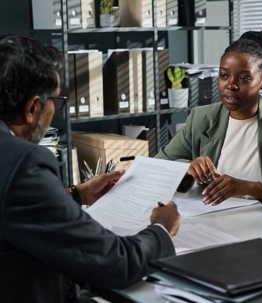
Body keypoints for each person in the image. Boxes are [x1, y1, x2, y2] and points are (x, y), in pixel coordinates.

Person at [0, 35, 180, 303]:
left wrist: (76, 194)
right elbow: (116, 263)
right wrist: (161, 229)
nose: (55, 111)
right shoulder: (23, 162)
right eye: (56, 102)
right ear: (32, 108)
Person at [155, 31, 262, 212]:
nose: (230, 85)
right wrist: (186, 167)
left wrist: (249, 188)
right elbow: (156, 166)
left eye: (244, 78)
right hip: (211, 217)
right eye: (224, 75)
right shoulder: (202, 118)